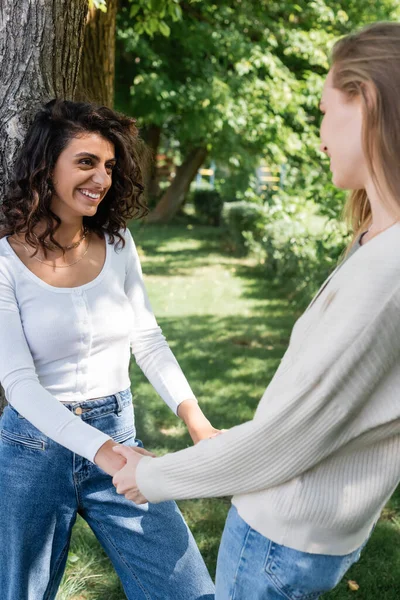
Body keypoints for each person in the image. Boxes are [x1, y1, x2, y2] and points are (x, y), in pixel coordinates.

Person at [112, 21, 400, 600]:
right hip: (314, 531)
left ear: (365, 101)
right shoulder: (375, 237)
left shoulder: (388, 271)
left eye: (323, 111)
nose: (318, 134)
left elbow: (287, 441)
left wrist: (150, 476)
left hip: (280, 539)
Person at [0, 100, 217, 600]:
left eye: (109, 166)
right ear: (45, 166)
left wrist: (196, 421)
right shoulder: (6, 262)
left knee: (187, 591)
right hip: (33, 451)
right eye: (86, 162)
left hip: (119, 437)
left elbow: (148, 339)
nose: (102, 177)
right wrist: (104, 453)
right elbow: (18, 383)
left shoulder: (117, 243)